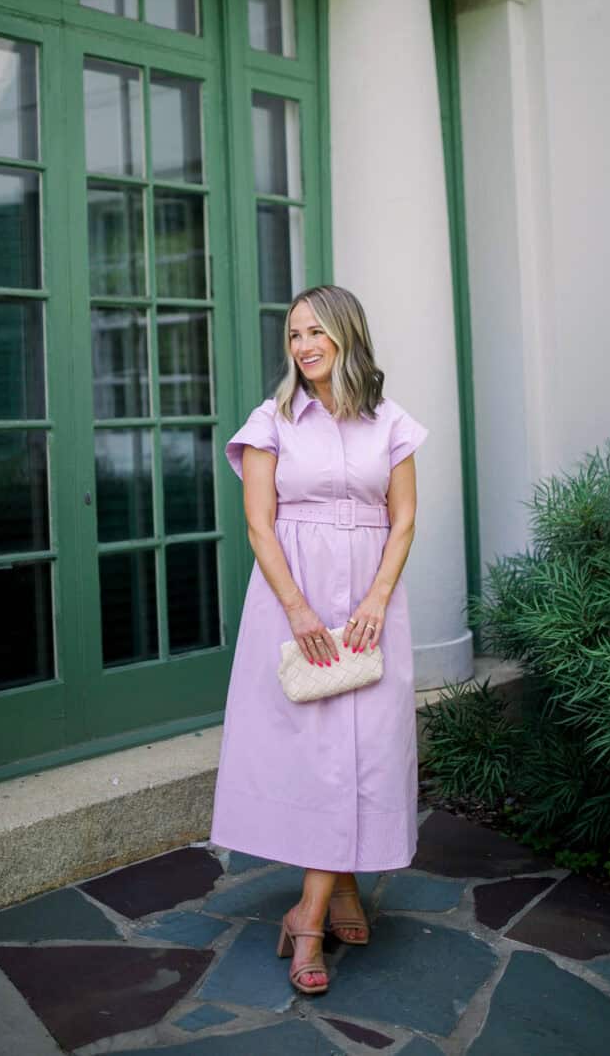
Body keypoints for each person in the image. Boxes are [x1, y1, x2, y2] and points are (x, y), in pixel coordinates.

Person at [210, 284, 427, 995]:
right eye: (293, 334)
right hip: (291, 599)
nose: (301, 345)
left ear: (344, 336)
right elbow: (258, 525)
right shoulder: (271, 420)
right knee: (315, 751)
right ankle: (327, 898)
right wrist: (299, 609)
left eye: (314, 332)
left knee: (363, 748)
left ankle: (315, 905)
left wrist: (375, 597)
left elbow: (401, 521)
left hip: (370, 605)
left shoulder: (389, 423)